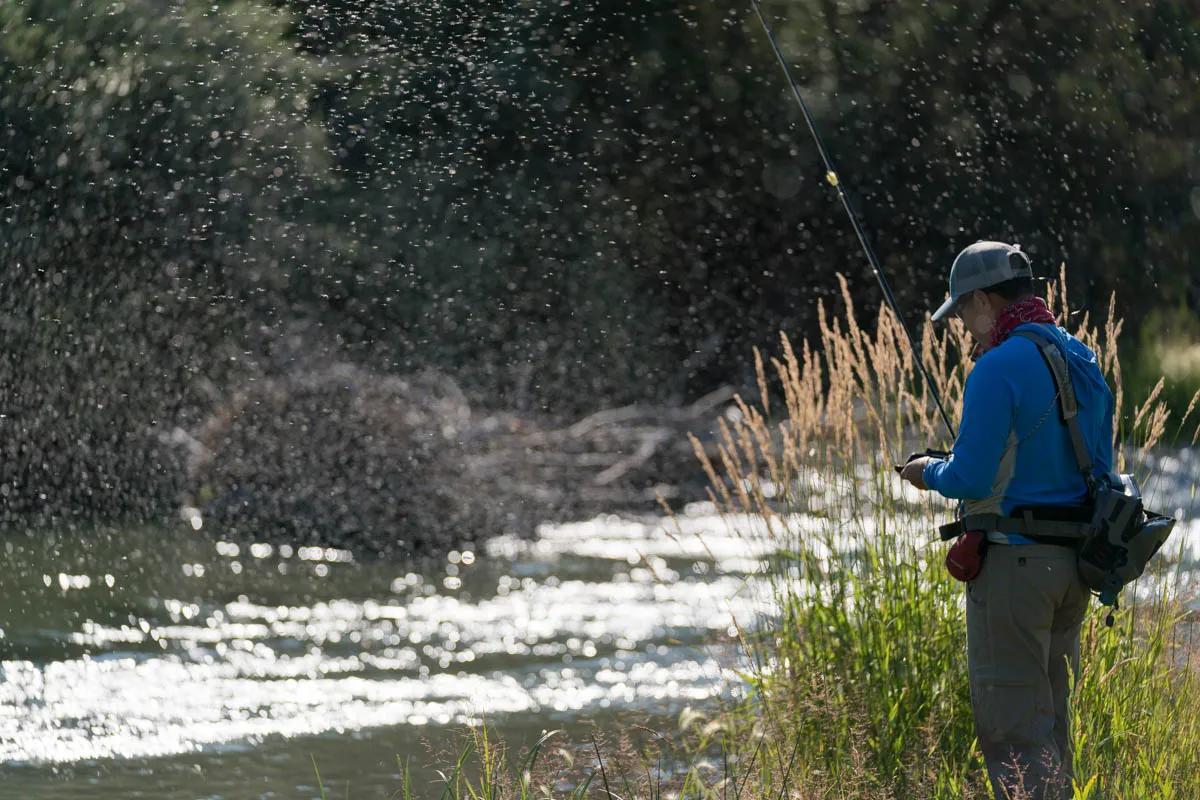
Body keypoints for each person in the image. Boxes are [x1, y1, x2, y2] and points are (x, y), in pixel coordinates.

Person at [900, 241, 1115, 800]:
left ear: (981, 300)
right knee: (1050, 727)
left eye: (964, 314)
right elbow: (1102, 468)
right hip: (1076, 569)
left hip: (1016, 568)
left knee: (1015, 734)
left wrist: (927, 472)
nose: (966, 330)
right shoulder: (1081, 356)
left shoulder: (997, 368)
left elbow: (970, 478)